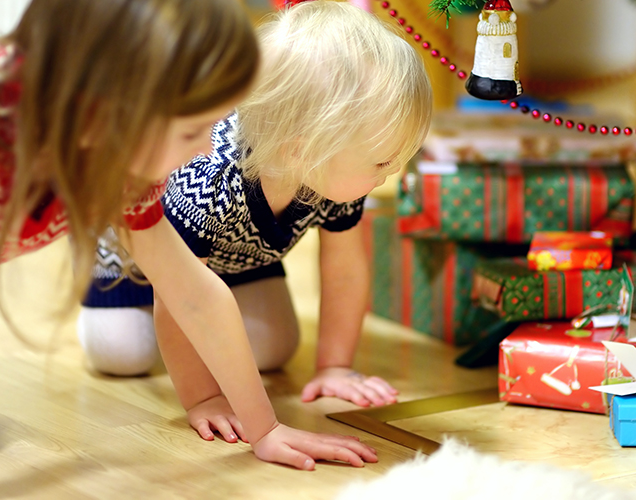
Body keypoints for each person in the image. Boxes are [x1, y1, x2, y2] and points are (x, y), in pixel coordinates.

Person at [0, 1, 374, 499]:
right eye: (194, 129)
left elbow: (193, 294)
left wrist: (265, 429)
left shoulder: (124, 162)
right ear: (106, 113)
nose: (210, 147)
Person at [76, 0, 433, 443]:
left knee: (274, 347)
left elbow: (344, 271)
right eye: (382, 161)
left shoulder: (334, 178)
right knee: (122, 352)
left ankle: (200, 339)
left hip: (239, 263)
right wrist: (204, 397)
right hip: (146, 267)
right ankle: (123, 312)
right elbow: (180, 295)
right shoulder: (211, 177)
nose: (392, 171)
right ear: (303, 150)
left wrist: (334, 365)